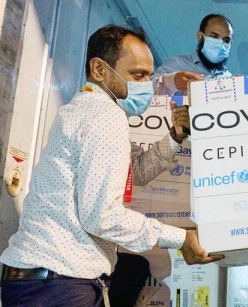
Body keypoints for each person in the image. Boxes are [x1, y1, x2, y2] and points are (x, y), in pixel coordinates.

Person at [0, 24, 223, 307]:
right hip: (58, 284)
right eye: (137, 75)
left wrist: (177, 135)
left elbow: (138, 171)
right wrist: (180, 238)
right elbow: (103, 217)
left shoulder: (87, 109)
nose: (145, 85)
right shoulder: (105, 116)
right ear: (99, 69)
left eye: (149, 76)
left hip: (47, 282)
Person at [152, 14, 233, 96]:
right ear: (200, 36)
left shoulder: (230, 78)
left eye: (226, 40)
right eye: (214, 36)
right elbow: (147, 90)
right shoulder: (177, 64)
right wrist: (172, 81)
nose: (220, 44)